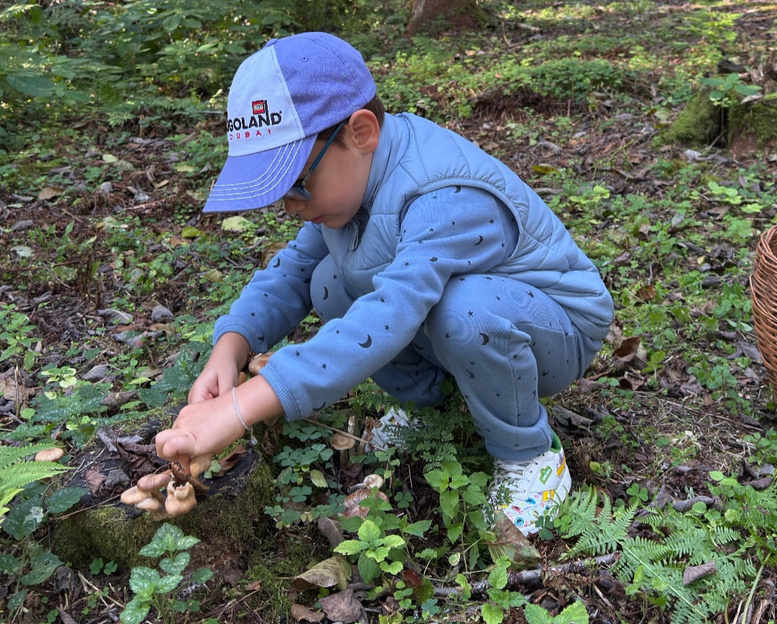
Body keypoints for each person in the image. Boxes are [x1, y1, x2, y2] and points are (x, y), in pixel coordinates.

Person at [154, 32, 614, 534]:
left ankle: (530, 457)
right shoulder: (349, 190)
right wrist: (232, 347)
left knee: (464, 312)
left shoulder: (444, 193)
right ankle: (430, 407)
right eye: (279, 191)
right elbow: (291, 272)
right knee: (330, 281)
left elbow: (391, 312)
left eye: (298, 184)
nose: (290, 206)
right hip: (471, 315)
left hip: (554, 329)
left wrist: (242, 407)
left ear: (361, 131)